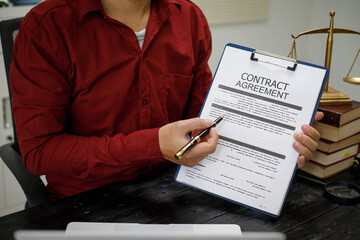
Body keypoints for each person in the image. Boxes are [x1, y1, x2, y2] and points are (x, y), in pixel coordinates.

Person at [10, 0, 322, 200]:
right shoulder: (46, 26)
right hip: (85, 200)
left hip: (176, 186)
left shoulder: (189, 17)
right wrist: (154, 144)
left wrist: (280, 140)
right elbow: (40, 152)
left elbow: (205, 118)